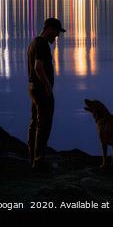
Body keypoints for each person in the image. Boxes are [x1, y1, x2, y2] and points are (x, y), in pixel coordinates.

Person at [27, 17, 65, 171]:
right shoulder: (42, 44)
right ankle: (39, 160)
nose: (57, 36)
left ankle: (33, 156)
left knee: (35, 123)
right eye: (56, 32)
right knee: (44, 124)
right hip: (41, 89)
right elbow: (38, 67)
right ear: (49, 29)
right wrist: (47, 85)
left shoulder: (33, 43)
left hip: (32, 88)